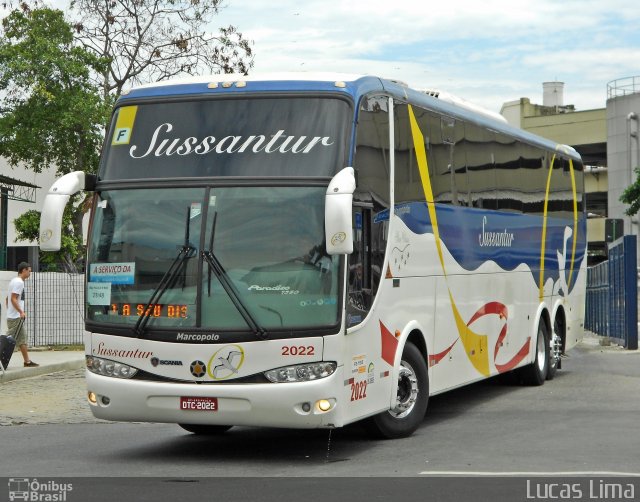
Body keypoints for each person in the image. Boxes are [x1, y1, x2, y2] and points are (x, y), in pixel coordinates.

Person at [5, 262, 39, 367]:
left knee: (22, 339)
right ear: (23, 270)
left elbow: (7, 299)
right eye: (29, 270)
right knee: (7, 340)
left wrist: (10, 310)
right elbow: (13, 298)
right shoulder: (19, 282)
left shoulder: (14, 281)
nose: (30, 273)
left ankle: (27, 361)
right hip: (15, 317)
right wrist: (20, 311)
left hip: (13, 316)